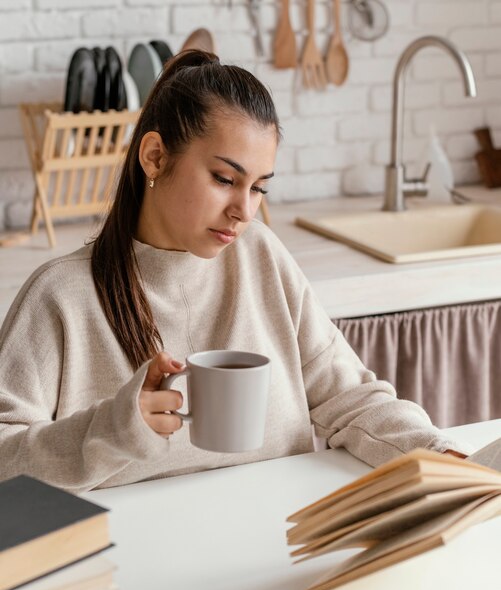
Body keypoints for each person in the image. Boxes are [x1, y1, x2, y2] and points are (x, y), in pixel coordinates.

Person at [0, 51, 469, 493]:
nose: (244, 211)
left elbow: (349, 397)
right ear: (155, 157)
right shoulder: (59, 296)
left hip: (277, 546)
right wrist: (110, 430)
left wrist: (439, 454)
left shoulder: (261, 256)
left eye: (259, 187)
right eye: (225, 179)